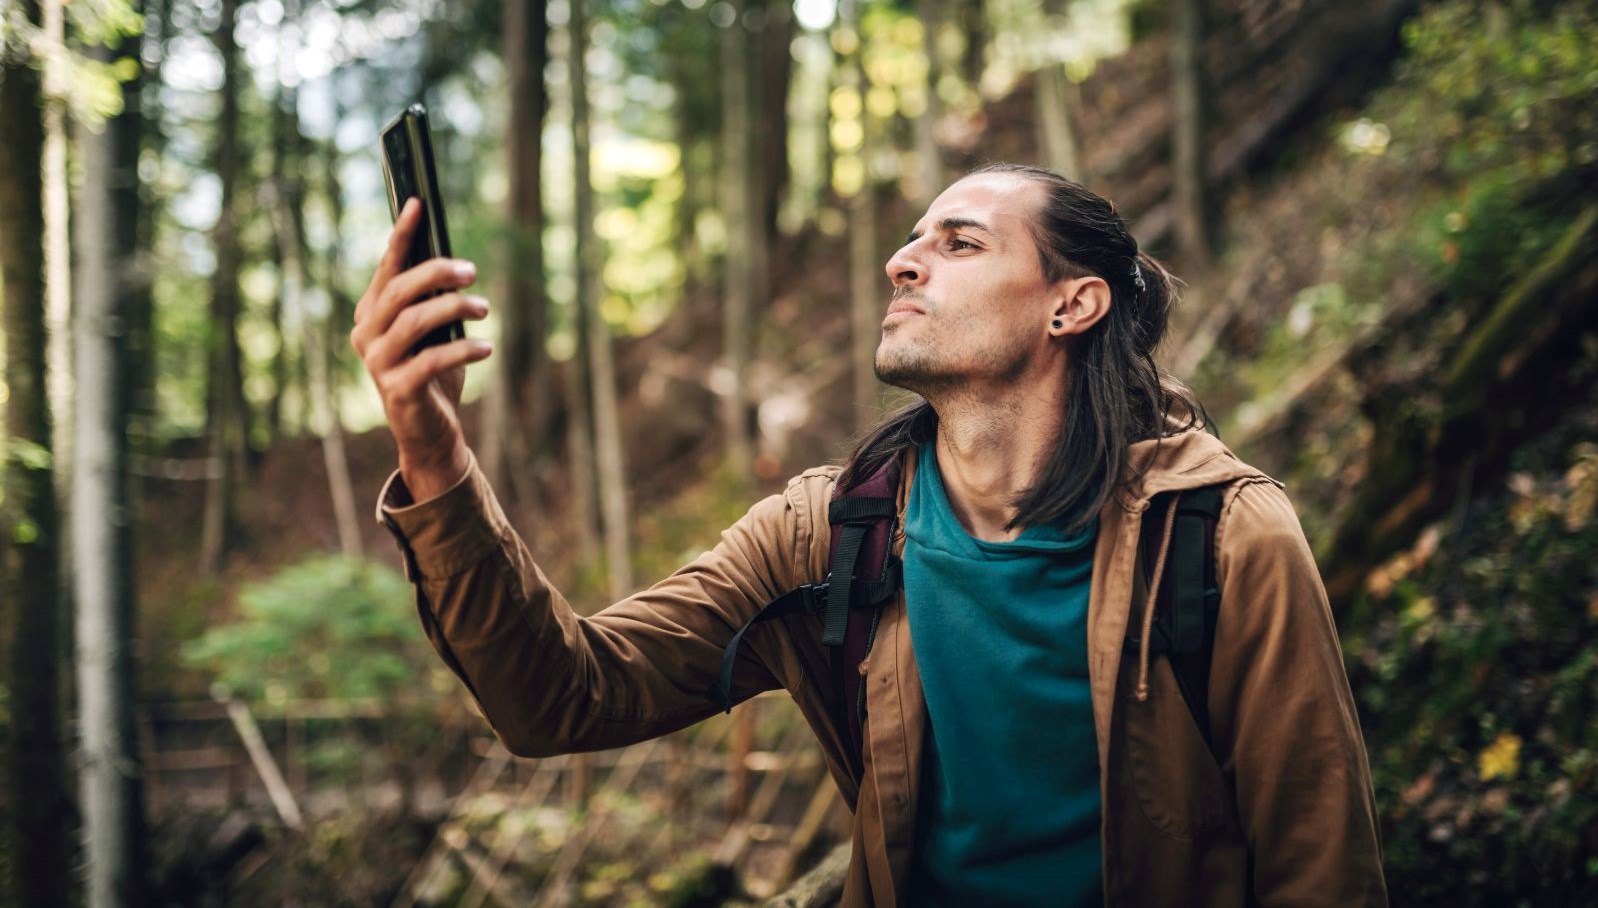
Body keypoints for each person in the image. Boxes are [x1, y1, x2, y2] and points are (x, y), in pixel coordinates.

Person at [349, 163, 1388, 906]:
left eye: (957, 242)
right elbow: (561, 694)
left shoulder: (1219, 534)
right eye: (910, 238)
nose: (901, 260)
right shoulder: (829, 532)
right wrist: (434, 451)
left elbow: (1320, 861)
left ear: (1070, 303)